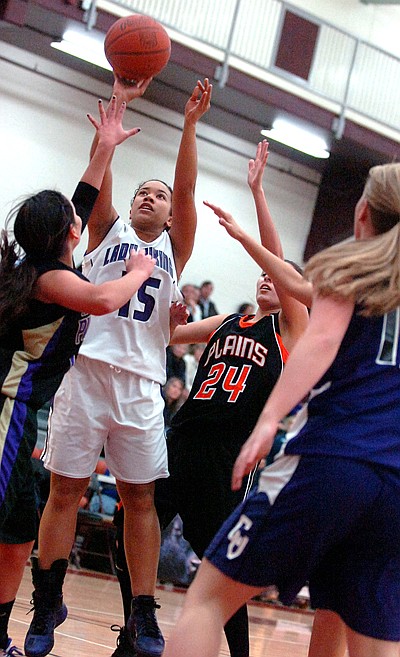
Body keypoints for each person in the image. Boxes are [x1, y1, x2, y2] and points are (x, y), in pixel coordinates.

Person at [162, 162, 400, 657]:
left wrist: (269, 420)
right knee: (358, 632)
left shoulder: (349, 273)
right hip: (393, 486)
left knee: (205, 600)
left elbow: (321, 337)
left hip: (332, 460)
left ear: (361, 216)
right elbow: (288, 278)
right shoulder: (237, 319)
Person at [25, 76, 212, 657]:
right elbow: (97, 176)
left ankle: (143, 614)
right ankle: (47, 600)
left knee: (140, 501)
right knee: (66, 492)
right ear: (129, 206)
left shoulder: (175, 250)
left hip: (141, 385)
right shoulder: (108, 231)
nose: (152, 197)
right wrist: (119, 106)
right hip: (86, 374)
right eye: (142, 193)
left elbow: (186, 189)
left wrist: (188, 126)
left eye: (158, 194)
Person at [111, 139, 309, 657]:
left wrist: (258, 193)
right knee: (124, 525)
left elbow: (278, 260)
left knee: (222, 567)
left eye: (278, 277)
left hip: (227, 458)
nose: (268, 277)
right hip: (181, 437)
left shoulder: (290, 329)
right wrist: (148, 305)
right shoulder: (227, 321)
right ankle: (134, 631)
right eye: (261, 275)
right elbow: (165, 336)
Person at [0, 97, 155, 657]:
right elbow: (103, 297)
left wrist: (106, 147)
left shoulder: (41, 264)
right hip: (7, 414)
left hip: (23, 415)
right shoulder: (54, 281)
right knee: (7, 526)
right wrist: (139, 268)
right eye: (74, 216)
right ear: (69, 231)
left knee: (17, 531)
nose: (80, 214)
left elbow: (82, 200)